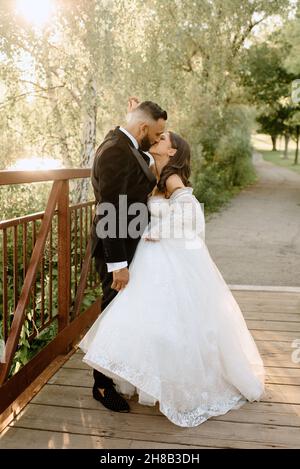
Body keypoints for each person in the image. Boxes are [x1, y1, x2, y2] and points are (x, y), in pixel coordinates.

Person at [79, 126, 265, 427]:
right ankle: (137, 377)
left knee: (171, 321)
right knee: (148, 317)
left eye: (163, 138)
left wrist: (159, 231)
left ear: (173, 151)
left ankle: (174, 385)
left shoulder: (171, 178)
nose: (158, 139)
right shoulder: (152, 173)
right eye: (158, 134)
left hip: (164, 255)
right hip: (150, 257)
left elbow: (192, 213)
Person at [89, 100, 167, 412]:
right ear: (143, 128)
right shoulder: (114, 151)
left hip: (130, 245)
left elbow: (136, 174)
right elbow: (109, 210)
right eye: (157, 133)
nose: (159, 138)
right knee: (111, 316)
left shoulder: (125, 144)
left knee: (122, 315)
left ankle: (117, 375)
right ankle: (101, 386)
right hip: (115, 250)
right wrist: (117, 266)